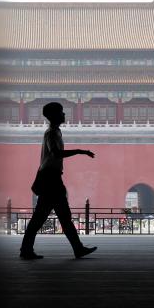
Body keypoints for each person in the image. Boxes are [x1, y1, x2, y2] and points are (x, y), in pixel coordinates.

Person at [20, 102, 98, 260]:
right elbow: (56, 153)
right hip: (51, 179)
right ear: (54, 115)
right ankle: (76, 248)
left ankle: (76, 248)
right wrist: (80, 151)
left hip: (52, 178)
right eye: (61, 112)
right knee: (52, 217)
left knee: (56, 216)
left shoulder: (55, 132)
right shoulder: (51, 133)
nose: (64, 115)